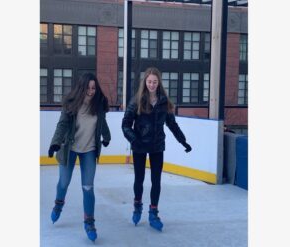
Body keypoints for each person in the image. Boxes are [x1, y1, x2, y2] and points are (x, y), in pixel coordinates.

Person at [121, 67, 192, 231]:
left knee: (156, 180)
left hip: (157, 146)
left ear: (158, 82)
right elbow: (125, 125)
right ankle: (137, 205)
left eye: (154, 82)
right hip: (139, 145)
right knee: (139, 179)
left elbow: (172, 124)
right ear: (145, 82)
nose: (152, 84)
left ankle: (153, 212)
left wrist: (183, 141)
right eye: (149, 82)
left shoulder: (163, 101)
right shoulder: (137, 100)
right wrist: (134, 140)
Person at [48, 73, 111, 242]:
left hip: (89, 150)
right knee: (64, 182)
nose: (90, 91)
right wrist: (54, 143)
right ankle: (58, 204)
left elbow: (102, 122)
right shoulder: (71, 104)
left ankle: (89, 222)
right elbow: (62, 125)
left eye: (93, 88)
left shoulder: (98, 104)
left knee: (88, 187)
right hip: (70, 149)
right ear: (81, 88)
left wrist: (107, 136)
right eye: (88, 88)